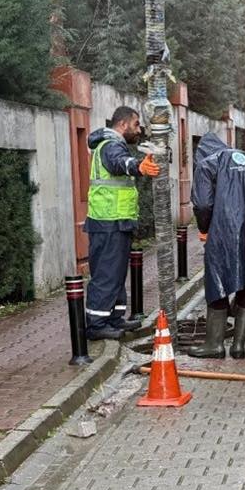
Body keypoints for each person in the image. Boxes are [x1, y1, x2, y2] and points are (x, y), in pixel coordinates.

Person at [187, 133, 245, 359]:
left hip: (224, 230)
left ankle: (214, 345)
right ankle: (238, 345)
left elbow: (202, 204)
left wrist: (204, 228)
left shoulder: (207, 164)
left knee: (217, 283)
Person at [84, 106, 161, 341]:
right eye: (136, 124)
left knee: (116, 274)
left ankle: (114, 318)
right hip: (108, 221)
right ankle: (96, 324)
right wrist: (138, 166)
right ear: (123, 124)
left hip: (115, 220)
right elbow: (119, 163)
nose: (139, 130)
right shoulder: (110, 145)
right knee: (107, 274)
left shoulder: (112, 145)